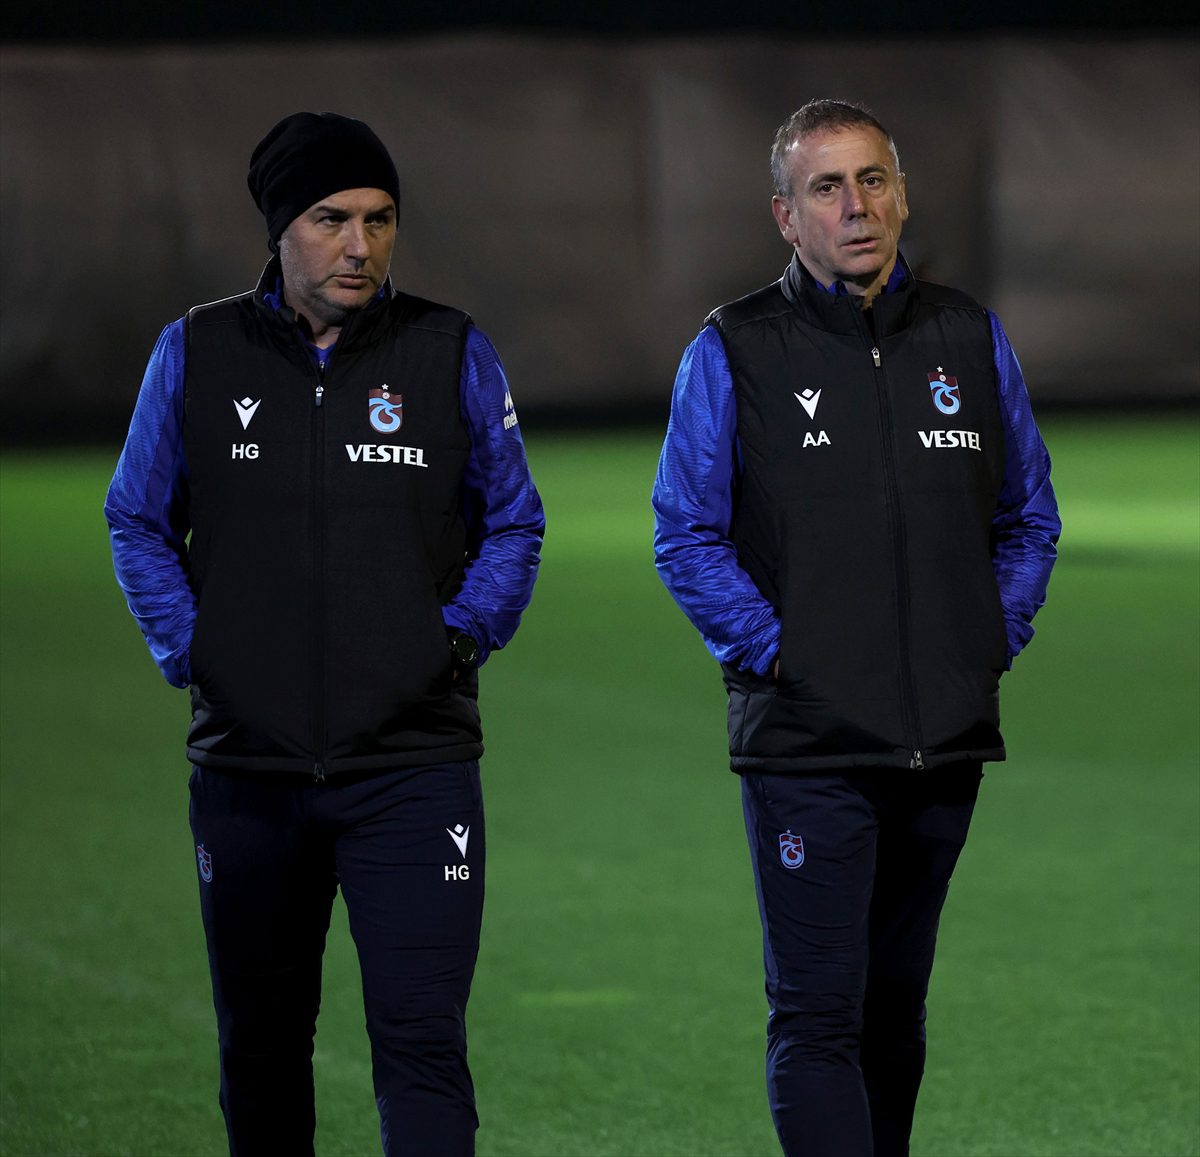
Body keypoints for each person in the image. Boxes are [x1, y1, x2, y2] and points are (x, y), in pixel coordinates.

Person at [105, 111, 544, 1157]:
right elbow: (137, 519)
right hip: (249, 772)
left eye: (380, 219)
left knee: (424, 1046)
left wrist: (458, 640)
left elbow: (514, 520)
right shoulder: (195, 350)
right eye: (332, 218)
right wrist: (198, 651)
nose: (361, 244)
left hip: (414, 766)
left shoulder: (449, 349)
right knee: (261, 1049)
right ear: (279, 228)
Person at [651, 99, 1059, 1156]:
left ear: (903, 195)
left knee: (895, 1010)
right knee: (818, 1015)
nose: (856, 206)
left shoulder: (968, 335)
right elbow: (686, 535)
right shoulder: (734, 348)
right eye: (826, 188)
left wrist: (985, 637)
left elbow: (1028, 516)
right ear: (786, 216)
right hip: (809, 743)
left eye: (873, 180)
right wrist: (785, 655)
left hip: (943, 741)